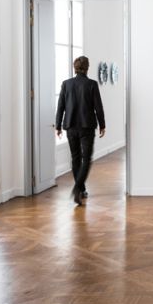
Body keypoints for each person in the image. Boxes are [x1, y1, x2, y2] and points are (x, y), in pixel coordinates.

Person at [55, 56, 106, 206]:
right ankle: (78, 188)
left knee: (75, 158)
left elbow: (60, 107)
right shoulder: (92, 84)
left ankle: (81, 190)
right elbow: (98, 107)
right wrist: (102, 125)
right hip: (87, 127)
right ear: (87, 68)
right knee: (86, 158)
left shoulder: (66, 84)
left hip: (70, 126)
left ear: (75, 68)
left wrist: (58, 126)